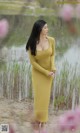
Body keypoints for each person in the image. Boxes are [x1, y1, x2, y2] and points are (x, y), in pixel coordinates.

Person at [26, 19, 56, 133]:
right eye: (45, 27)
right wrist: (45, 72)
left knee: (46, 98)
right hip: (38, 74)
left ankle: (43, 124)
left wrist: (53, 68)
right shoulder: (31, 43)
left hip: (49, 74)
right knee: (39, 98)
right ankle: (37, 122)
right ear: (39, 29)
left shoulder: (52, 40)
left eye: (47, 27)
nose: (47, 29)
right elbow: (33, 62)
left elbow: (53, 55)